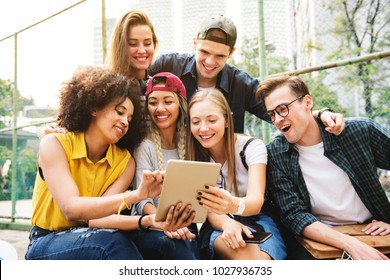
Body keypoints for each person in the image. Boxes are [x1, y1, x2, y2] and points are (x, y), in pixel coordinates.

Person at [25, 66, 194, 260]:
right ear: (94, 106)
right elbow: (71, 208)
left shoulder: (124, 162)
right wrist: (136, 196)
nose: (125, 122)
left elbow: (97, 220)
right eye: (120, 112)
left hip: (93, 233)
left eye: (129, 118)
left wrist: (150, 220)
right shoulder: (54, 144)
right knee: (110, 242)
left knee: (165, 242)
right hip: (47, 240)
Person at [256, 75, 390, 260]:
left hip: (374, 230)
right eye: (272, 114)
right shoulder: (276, 154)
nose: (278, 119)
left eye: (283, 109)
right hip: (320, 239)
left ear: (307, 102)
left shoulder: (358, 132)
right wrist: (353, 246)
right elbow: (294, 215)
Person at [149, 14, 344, 134]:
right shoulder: (168, 65)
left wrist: (322, 114)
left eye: (219, 56)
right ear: (194, 44)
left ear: (231, 53)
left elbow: (279, 110)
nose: (209, 62)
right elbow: (134, 85)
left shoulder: (241, 83)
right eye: (204, 52)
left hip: (221, 165)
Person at [187, 89, 287, 260]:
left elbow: (256, 200)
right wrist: (228, 223)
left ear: (227, 120)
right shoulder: (193, 156)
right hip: (218, 221)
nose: (203, 128)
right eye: (195, 122)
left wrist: (233, 204)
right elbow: (209, 210)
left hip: (257, 217)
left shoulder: (251, 147)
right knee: (246, 256)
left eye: (212, 120)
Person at [38, 9, 158, 137]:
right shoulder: (102, 86)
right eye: (133, 44)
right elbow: (65, 126)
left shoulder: (159, 89)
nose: (142, 50)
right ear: (121, 46)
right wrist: (47, 132)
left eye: (147, 43)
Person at [130, 72, 199, 260]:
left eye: (168, 101)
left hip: (187, 222)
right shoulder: (145, 146)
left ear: (180, 105)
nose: (160, 109)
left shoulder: (193, 141)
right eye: (153, 102)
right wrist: (165, 223)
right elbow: (141, 200)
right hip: (154, 226)